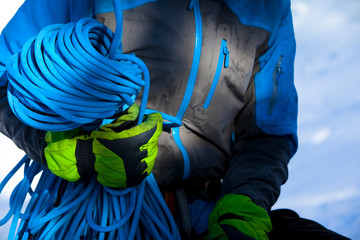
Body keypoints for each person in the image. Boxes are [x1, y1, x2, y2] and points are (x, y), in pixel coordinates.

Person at [0, 0, 351, 239]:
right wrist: (61, 148)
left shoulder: (268, 7)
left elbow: (268, 134)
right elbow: (4, 78)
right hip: (94, 218)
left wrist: (244, 202)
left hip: (209, 214)